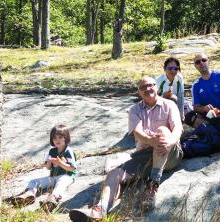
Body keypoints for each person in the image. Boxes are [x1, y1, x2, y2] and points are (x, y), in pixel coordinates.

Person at [69, 76, 183, 220]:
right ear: (139, 92)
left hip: (170, 153)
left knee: (162, 130)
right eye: (143, 88)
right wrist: (150, 141)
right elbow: (137, 132)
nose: (147, 89)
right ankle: (100, 209)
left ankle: (152, 185)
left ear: (157, 87)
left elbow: (178, 128)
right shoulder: (135, 110)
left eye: (150, 85)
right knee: (113, 174)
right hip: (144, 156)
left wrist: (167, 142)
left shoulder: (169, 105)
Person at [10, 124, 77, 212]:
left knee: (60, 184)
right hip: (53, 177)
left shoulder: (68, 151)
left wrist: (60, 163)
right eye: (54, 138)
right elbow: (48, 168)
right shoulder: (52, 151)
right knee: (33, 182)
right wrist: (49, 162)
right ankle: (29, 194)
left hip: (66, 176)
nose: (57, 140)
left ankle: (53, 200)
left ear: (66, 138)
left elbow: (72, 168)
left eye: (60, 137)